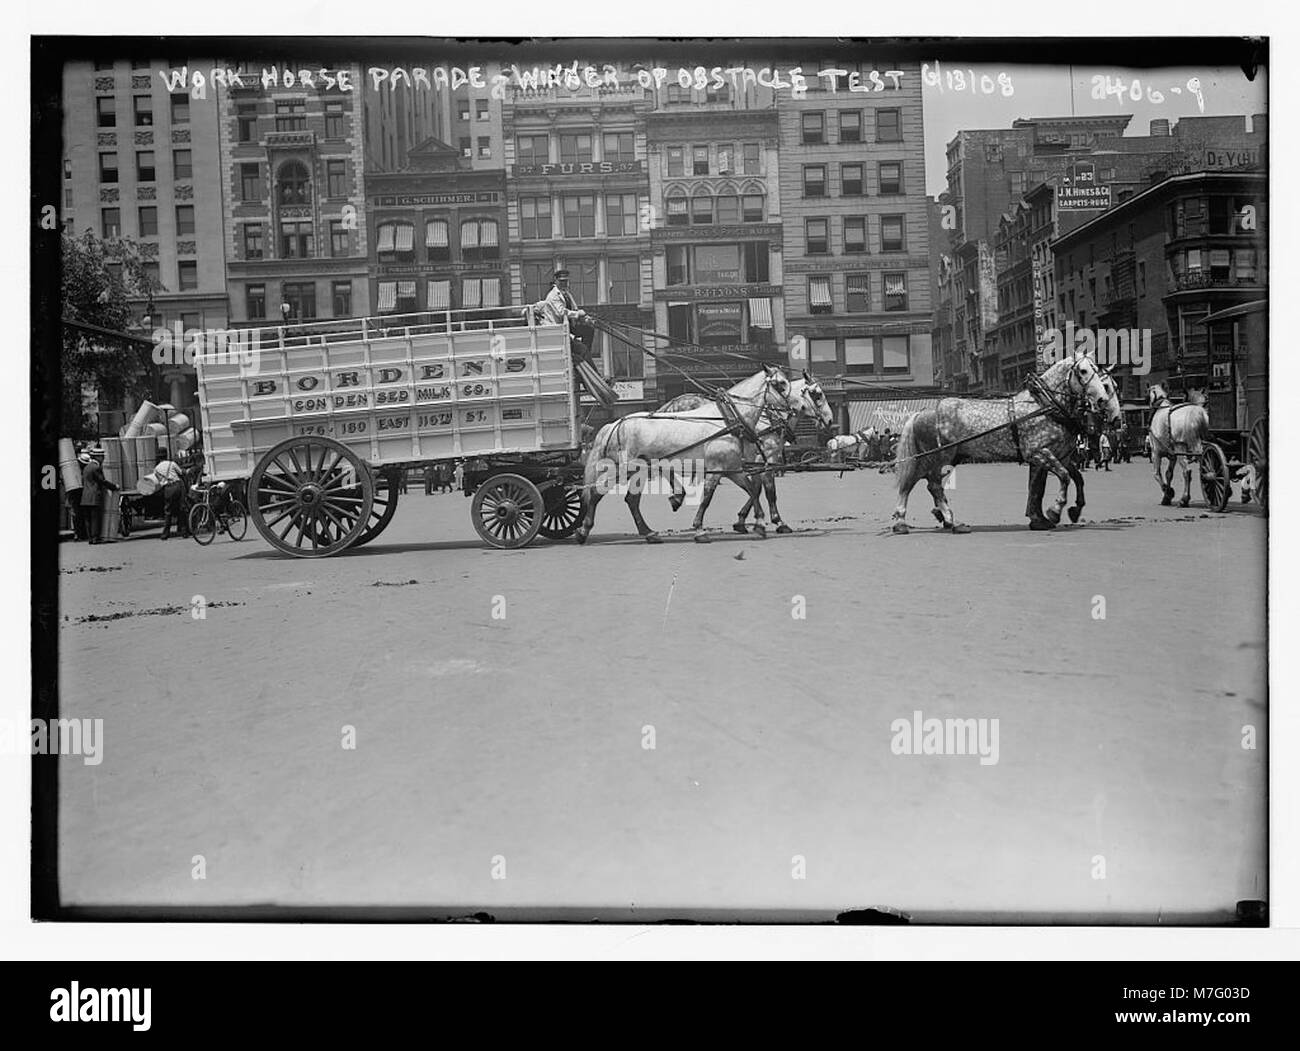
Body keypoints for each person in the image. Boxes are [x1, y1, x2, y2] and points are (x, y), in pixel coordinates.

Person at [143, 452, 188, 540]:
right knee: (182, 508)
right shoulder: (172, 463)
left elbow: (157, 481)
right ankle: (184, 532)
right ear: (166, 456)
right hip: (177, 486)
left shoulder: (156, 468)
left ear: (158, 458)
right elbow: (181, 473)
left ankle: (165, 534)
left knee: (168, 511)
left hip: (168, 489)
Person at [80, 446, 119, 545]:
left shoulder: (86, 467)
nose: (103, 459)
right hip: (94, 496)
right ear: (98, 457)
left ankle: (90, 538)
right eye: (102, 457)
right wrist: (114, 487)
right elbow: (102, 481)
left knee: (88, 519)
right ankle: (95, 538)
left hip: (85, 497)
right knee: (95, 518)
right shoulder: (96, 467)